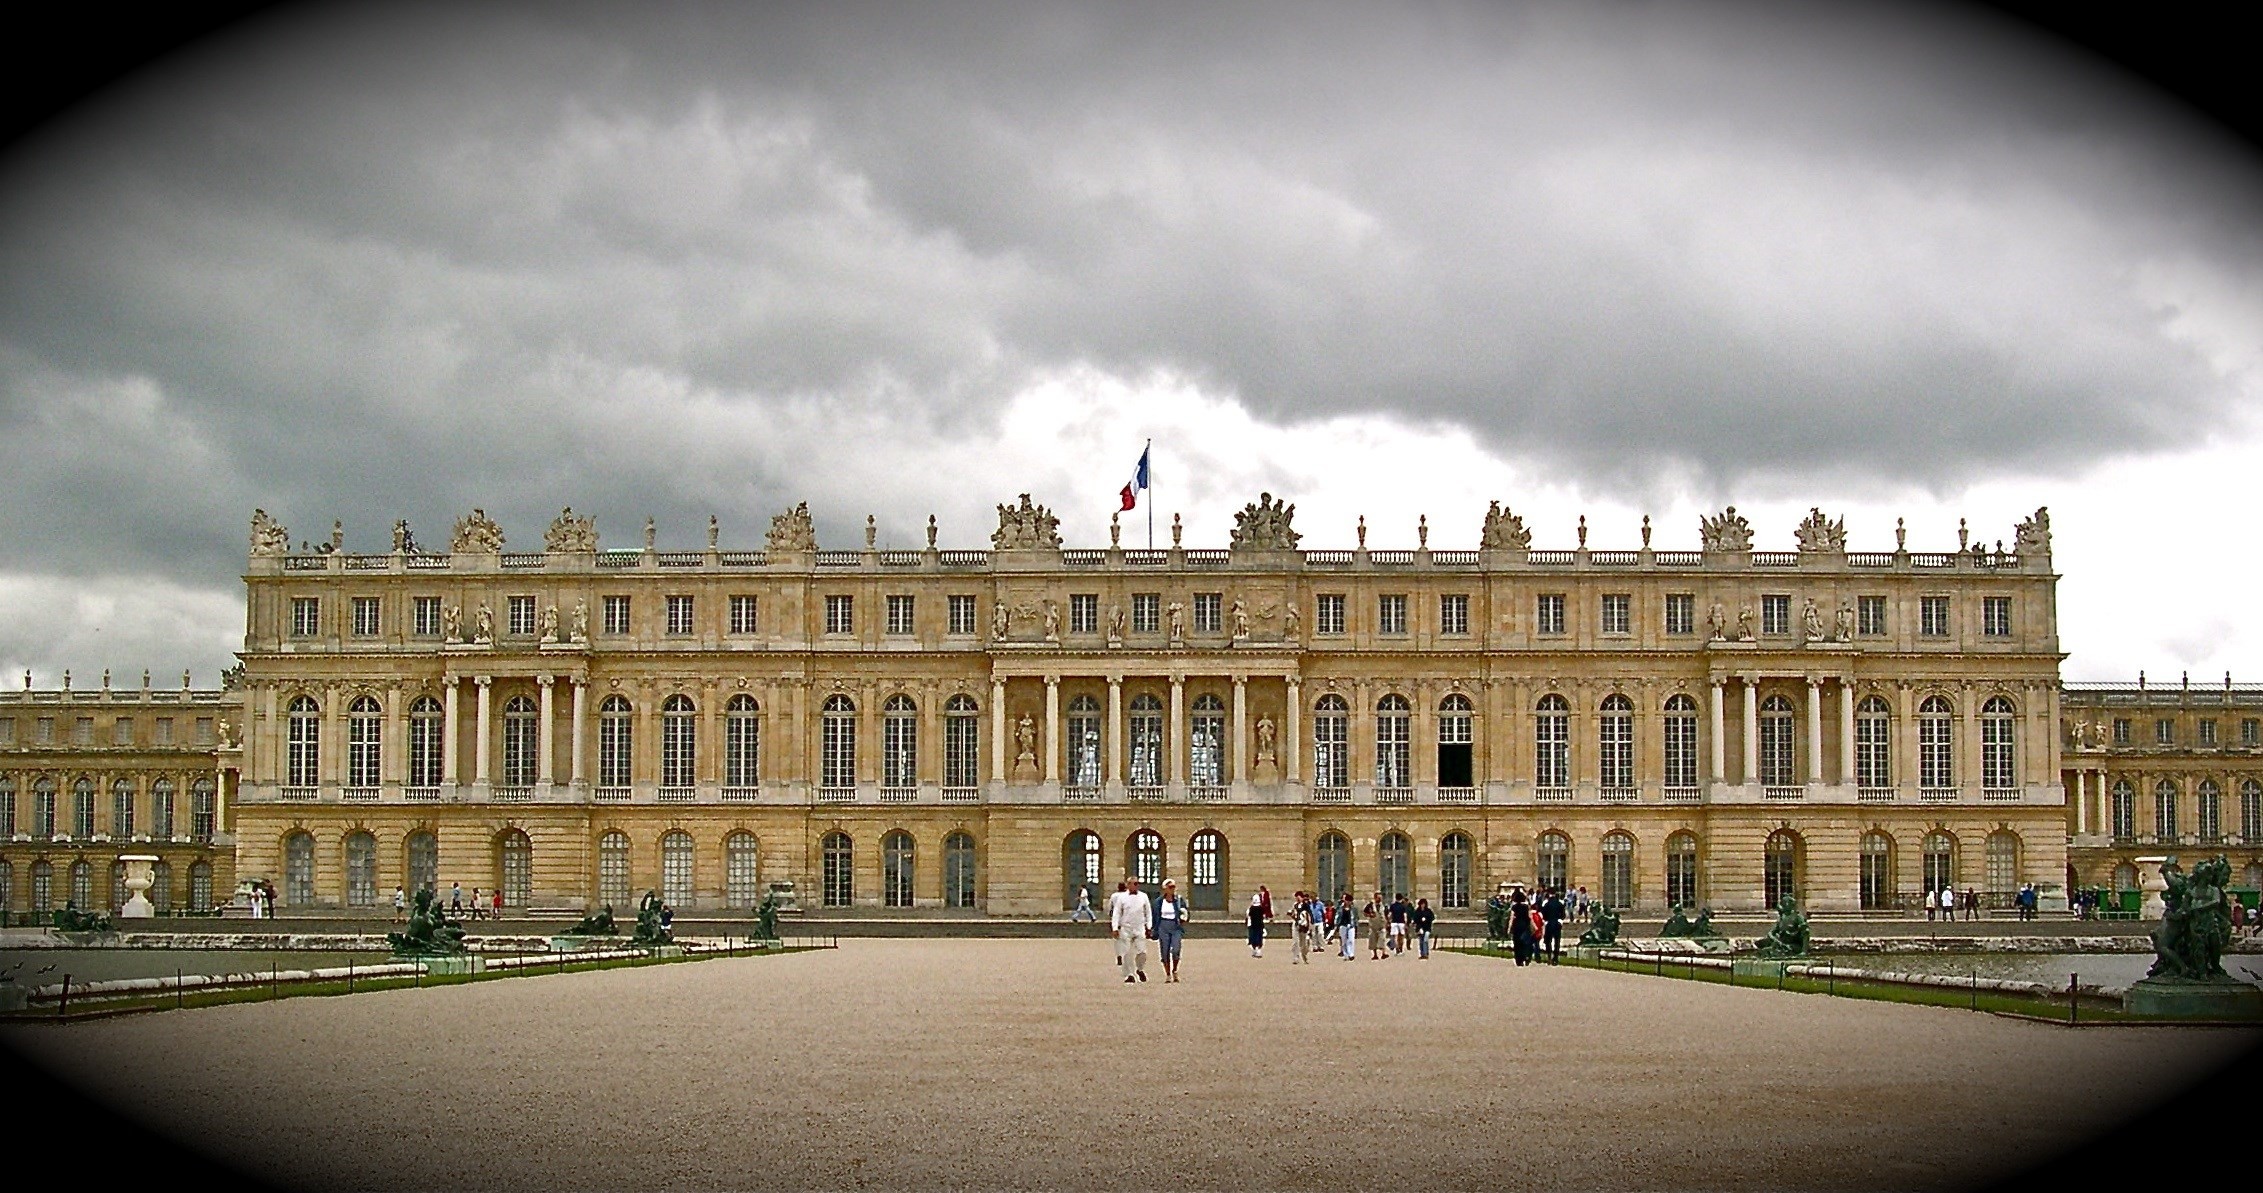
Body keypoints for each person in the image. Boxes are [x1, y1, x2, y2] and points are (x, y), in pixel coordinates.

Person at [1109, 877, 1152, 983]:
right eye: (1131, 884)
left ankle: (1140, 969)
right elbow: (1117, 913)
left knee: (1142, 952)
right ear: (1127, 885)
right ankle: (1129, 975)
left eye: (1136, 884)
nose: (1134, 886)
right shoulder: (1122, 897)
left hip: (1140, 927)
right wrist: (1115, 927)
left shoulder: (1143, 896)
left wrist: (1149, 926)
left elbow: (1148, 912)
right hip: (1126, 928)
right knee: (1126, 952)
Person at [1154, 879, 1188, 981]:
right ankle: (1168, 973)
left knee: (1176, 949)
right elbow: (1155, 915)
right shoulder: (1159, 902)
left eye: (1173, 887)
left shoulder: (1178, 900)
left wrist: (1184, 919)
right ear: (1165, 889)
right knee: (1165, 950)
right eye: (1170, 887)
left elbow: (1185, 911)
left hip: (1175, 925)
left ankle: (1175, 970)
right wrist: (1153, 928)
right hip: (1163, 925)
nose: (1172, 889)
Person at [1508, 890, 1535, 965]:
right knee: (1525, 942)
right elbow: (1530, 917)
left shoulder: (1514, 907)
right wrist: (1534, 926)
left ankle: (1518, 959)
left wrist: (1509, 928)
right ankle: (1525, 956)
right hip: (1525, 926)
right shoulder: (1526, 907)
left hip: (1517, 926)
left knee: (1517, 943)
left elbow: (1512, 918)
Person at [1539, 888, 1566, 962]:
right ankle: (1556, 958)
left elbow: (1543, 914)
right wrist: (1560, 921)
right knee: (1557, 941)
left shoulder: (1545, 903)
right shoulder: (1560, 903)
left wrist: (1545, 921)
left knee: (1548, 941)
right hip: (1557, 923)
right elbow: (1563, 915)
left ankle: (1549, 957)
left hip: (1549, 923)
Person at [1364, 894, 1387, 959]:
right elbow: (1365, 913)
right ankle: (1375, 955)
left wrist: (1388, 923)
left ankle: (1383, 953)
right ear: (1375, 898)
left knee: (1382, 939)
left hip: (1382, 925)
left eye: (1381, 898)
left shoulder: (1384, 906)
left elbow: (1387, 915)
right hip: (1373, 926)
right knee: (1373, 941)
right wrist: (1369, 915)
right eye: (1378, 898)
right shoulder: (1370, 905)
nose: (1380, 899)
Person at [1335, 895, 1358, 960]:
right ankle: (1345, 954)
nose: (1348, 902)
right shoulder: (1340, 908)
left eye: (1349, 901)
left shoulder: (1354, 908)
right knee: (1344, 941)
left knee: (1351, 940)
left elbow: (1356, 918)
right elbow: (1337, 916)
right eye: (1347, 900)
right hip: (1343, 925)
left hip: (1351, 925)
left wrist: (1356, 925)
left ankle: (1351, 954)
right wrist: (1336, 925)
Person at [1291, 895, 1312, 964]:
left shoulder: (1306, 906)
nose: (1297, 898)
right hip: (1296, 925)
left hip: (1304, 925)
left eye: (1299, 897)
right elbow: (1293, 914)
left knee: (1304, 943)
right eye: (1296, 897)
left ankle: (1304, 955)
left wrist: (1309, 925)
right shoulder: (1295, 905)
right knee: (1295, 942)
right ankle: (1296, 957)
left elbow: (1309, 915)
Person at [1247, 891, 1267, 958]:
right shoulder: (1261, 908)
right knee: (1259, 937)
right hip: (1259, 925)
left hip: (1253, 925)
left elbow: (1249, 916)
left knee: (1253, 937)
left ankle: (1254, 949)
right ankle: (1258, 949)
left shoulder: (1251, 908)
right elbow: (1264, 916)